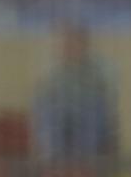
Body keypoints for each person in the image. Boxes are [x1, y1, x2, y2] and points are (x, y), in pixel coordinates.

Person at [32, 23, 117, 161]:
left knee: (94, 108)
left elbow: (103, 92)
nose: (70, 46)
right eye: (67, 42)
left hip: (87, 110)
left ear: (84, 45)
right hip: (60, 112)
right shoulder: (53, 69)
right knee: (46, 108)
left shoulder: (97, 67)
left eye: (75, 42)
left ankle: (85, 160)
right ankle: (52, 158)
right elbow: (45, 93)